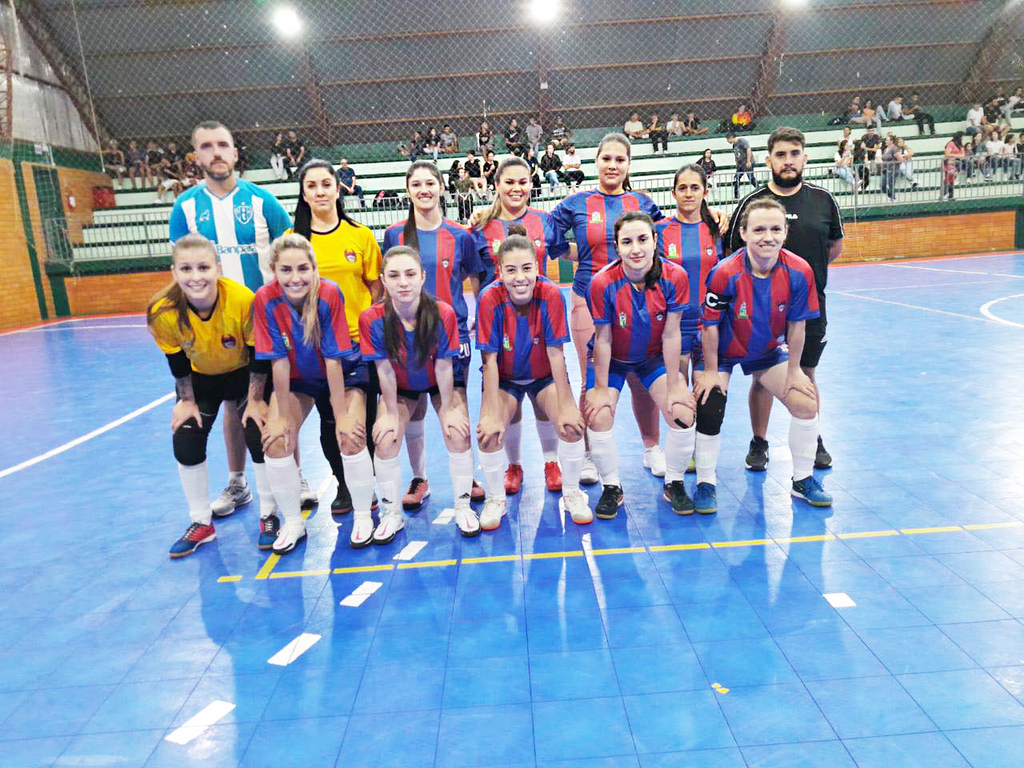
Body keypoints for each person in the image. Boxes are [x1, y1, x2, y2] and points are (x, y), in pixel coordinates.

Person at [169, 121, 300, 516]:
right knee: (232, 405)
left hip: (266, 323)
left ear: (236, 152)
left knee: (277, 401)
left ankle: (292, 473)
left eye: (223, 144)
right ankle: (237, 481)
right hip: (215, 330)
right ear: (197, 156)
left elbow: (291, 254)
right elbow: (178, 267)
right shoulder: (185, 207)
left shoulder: (263, 201)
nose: (216, 153)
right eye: (206, 146)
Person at [695, 197, 832, 512]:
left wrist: (795, 370)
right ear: (743, 233)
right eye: (758, 229)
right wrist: (713, 371)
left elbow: (797, 326)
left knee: (806, 402)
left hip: (766, 350)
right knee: (709, 401)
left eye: (774, 229)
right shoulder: (723, 273)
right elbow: (711, 328)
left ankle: (802, 479)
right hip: (725, 351)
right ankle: (705, 482)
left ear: (785, 232)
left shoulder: (799, 271)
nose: (767, 236)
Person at [147, 234, 275, 558]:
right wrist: (185, 401)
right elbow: (177, 363)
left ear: (218, 268)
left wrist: (257, 399)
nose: (196, 276)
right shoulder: (162, 311)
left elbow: (258, 353)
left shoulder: (242, 299)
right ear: (174, 272)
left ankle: (269, 513)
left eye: (203, 267)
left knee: (257, 429)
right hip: (202, 379)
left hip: (245, 373)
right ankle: (201, 523)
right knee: (186, 436)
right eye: (186, 269)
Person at [550, 133, 667, 482]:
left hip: (639, 301)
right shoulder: (576, 203)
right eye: (607, 159)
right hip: (588, 298)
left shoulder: (643, 203)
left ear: (628, 165)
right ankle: (587, 455)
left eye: (620, 159)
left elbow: (666, 237)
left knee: (640, 376)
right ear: (596, 162)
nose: (613, 165)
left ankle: (652, 448)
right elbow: (551, 240)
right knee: (592, 375)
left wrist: (714, 214)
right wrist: (582, 257)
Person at [726, 126, 843, 473]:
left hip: (809, 309)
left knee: (806, 373)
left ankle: (813, 436)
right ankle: (759, 442)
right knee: (762, 378)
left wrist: (803, 282)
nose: (788, 161)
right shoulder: (752, 204)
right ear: (768, 160)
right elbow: (733, 252)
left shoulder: (823, 201)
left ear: (804, 158)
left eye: (794, 154)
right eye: (781, 154)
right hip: (761, 315)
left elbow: (834, 247)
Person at [253, 233, 375, 551]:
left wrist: (341, 418)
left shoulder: (329, 293)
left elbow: (334, 360)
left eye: (303, 269)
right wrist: (280, 417)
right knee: (276, 440)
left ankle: (364, 516)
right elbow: (278, 362)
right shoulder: (265, 300)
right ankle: (293, 522)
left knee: (350, 434)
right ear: (273, 270)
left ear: (314, 268)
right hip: (298, 378)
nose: (296, 278)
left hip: (344, 373)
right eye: (287, 270)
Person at [382, 161, 486, 509]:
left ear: (442, 188)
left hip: (451, 335)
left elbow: (476, 279)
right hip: (406, 335)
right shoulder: (395, 235)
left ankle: (466, 473)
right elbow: (389, 285)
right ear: (408, 190)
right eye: (416, 184)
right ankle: (419, 476)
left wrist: (474, 320)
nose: (424, 189)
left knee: (455, 404)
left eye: (430, 183)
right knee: (414, 407)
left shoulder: (460, 235)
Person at [584, 211, 697, 518]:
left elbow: (672, 333)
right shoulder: (602, 283)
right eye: (627, 242)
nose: (636, 248)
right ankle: (611, 487)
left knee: (683, 412)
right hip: (613, 360)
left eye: (643, 239)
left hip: (652, 358)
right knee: (598, 415)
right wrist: (599, 388)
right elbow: (603, 339)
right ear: (617, 247)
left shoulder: (675, 278)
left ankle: (674, 484)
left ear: (655, 241)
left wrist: (675, 384)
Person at [361, 246, 479, 540]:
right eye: (394, 275)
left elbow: (443, 367)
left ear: (422, 277)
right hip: (400, 386)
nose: (403, 282)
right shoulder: (372, 318)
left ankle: (464, 507)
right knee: (385, 439)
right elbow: (385, 370)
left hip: (436, 381)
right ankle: (391, 515)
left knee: (457, 431)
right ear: (383, 280)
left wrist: (450, 407)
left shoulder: (443, 313)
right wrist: (388, 412)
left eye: (410, 274)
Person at [472, 158, 574, 493]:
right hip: (500, 328)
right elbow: (476, 277)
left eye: (523, 181)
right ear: (496, 185)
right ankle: (513, 466)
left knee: (546, 402)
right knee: (508, 404)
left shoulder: (545, 222)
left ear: (532, 184)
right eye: (509, 182)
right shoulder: (481, 225)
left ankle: (550, 462)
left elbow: (570, 251)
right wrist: (479, 317)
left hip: (540, 326)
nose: (517, 188)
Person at [476, 231, 588, 528]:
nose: (520, 277)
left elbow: (556, 355)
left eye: (526, 268)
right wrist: (489, 413)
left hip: (542, 376)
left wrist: (565, 405)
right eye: (511, 270)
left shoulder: (550, 294)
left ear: (537, 268)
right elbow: (489, 362)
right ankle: (495, 499)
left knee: (572, 426)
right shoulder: (489, 298)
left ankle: (573, 493)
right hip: (506, 379)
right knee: (488, 433)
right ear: (499, 272)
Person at [290, 158, 383, 516]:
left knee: (364, 417)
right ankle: (343, 483)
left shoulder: (358, 235)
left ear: (337, 187)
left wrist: (366, 328)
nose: (319, 192)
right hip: (314, 348)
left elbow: (375, 287)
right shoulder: (293, 240)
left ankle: (368, 480)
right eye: (311, 186)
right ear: (303, 193)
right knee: (329, 418)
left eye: (325, 184)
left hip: (357, 345)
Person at [655, 164, 724, 479]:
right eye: (682, 187)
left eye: (694, 187)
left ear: (705, 192)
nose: (688, 193)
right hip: (676, 325)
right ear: (673, 193)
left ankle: (702, 452)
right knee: (678, 394)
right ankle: (678, 458)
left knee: (708, 391)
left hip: (710, 325)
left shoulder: (717, 228)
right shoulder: (660, 231)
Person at [727, 132, 756, 198]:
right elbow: (736, 154)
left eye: (728, 139)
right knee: (737, 177)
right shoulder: (734, 145)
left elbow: (748, 149)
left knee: (751, 178)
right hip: (741, 164)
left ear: (731, 138)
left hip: (746, 162)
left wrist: (748, 161)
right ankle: (736, 194)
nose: (728, 141)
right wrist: (736, 162)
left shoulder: (741, 141)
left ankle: (759, 189)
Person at [880, 135, 900, 200]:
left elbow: (898, 158)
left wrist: (897, 165)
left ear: (892, 141)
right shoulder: (885, 149)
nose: (886, 141)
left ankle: (893, 198)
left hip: (892, 169)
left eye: (887, 140)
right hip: (885, 169)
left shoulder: (894, 148)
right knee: (882, 186)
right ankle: (891, 195)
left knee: (891, 184)